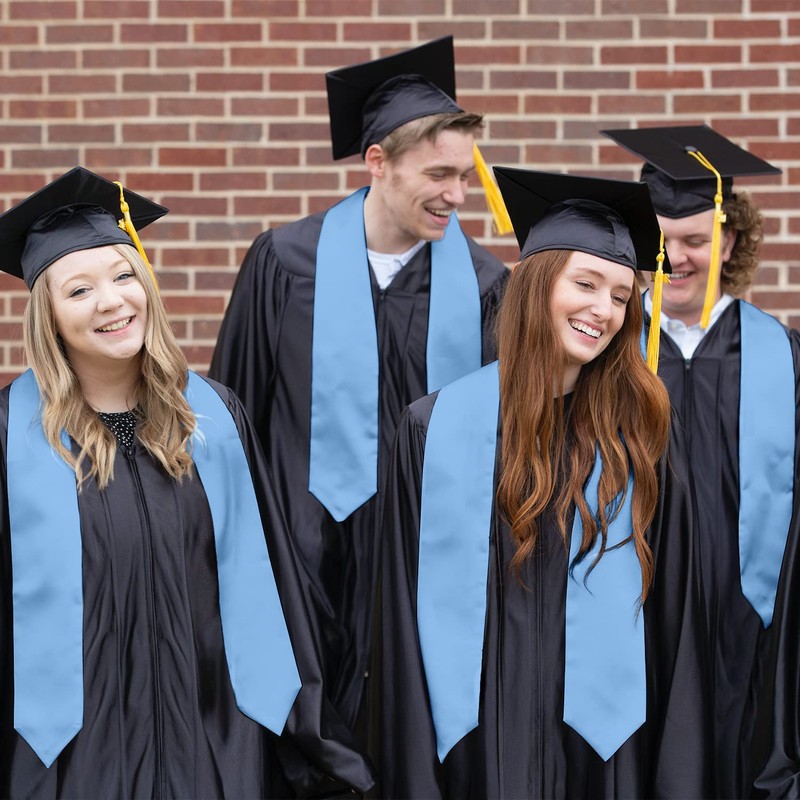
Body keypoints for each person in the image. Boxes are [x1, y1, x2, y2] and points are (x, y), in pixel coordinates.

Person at [0, 167, 375, 798]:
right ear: (50, 318)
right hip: (72, 755)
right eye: (80, 290)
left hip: (214, 738)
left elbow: (273, 585)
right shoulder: (13, 435)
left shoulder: (215, 419)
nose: (114, 301)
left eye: (125, 276)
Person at [372, 167, 710, 798]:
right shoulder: (432, 429)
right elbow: (399, 624)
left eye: (619, 295)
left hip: (608, 760)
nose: (603, 310)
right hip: (475, 757)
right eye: (585, 283)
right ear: (534, 285)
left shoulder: (643, 441)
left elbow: (677, 630)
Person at [208, 36, 509, 742]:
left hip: (424, 561)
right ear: (378, 162)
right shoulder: (284, 261)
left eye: (465, 176)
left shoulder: (489, 286)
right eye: (439, 174)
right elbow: (233, 414)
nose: (457, 195)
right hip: (297, 558)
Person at [603, 125, 799, 798]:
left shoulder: (783, 356)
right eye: (662, 240)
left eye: (697, 240)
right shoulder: (611, 355)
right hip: (633, 616)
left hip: (752, 622)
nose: (677, 258)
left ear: (731, 241)